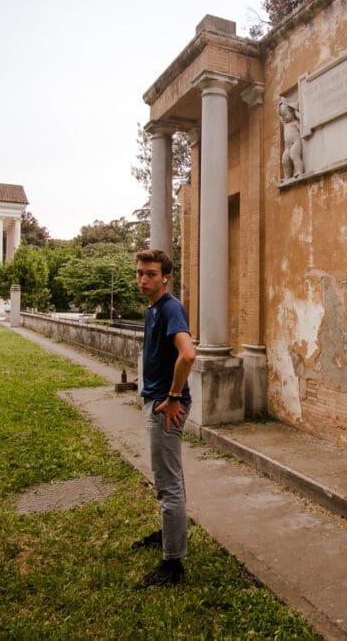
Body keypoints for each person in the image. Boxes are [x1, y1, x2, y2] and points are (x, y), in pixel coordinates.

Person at [131, 249, 196, 587]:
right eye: (140, 273)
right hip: (157, 401)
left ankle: (173, 565)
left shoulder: (170, 307)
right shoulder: (154, 307)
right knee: (172, 477)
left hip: (165, 407)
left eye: (151, 274)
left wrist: (172, 396)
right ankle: (171, 532)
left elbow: (188, 354)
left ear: (165, 277)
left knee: (167, 483)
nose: (143, 279)